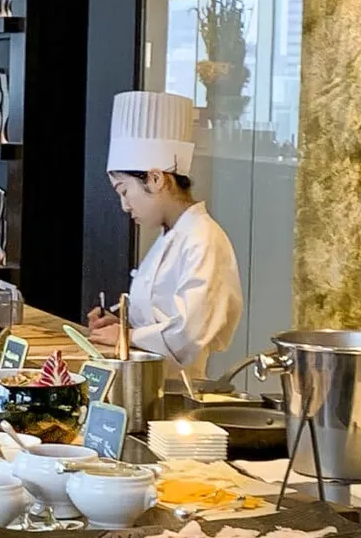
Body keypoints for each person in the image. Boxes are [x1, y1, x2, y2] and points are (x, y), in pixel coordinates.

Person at [86, 90, 243, 376]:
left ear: (156, 179)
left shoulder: (203, 238)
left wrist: (128, 337)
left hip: (174, 391)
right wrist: (118, 322)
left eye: (125, 191)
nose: (124, 205)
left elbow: (189, 333)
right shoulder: (170, 236)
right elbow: (158, 316)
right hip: (143, 380)